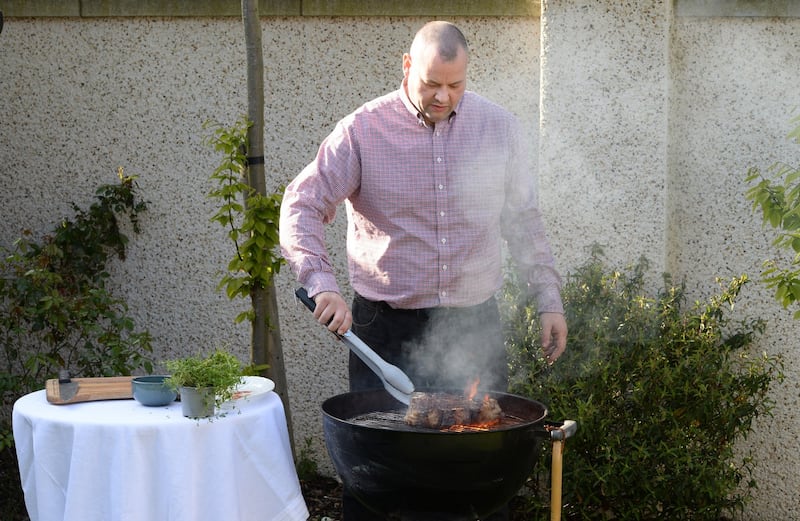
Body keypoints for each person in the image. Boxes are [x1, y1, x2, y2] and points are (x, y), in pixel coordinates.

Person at [280, 21, 567, 520]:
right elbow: (301, 205)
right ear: (407, 66)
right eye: (432, 83)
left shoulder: (499, 128)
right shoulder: (363, 131)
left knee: (480, 477)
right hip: (385, 330)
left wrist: (549, 298)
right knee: (379, 481)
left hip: (474, 327)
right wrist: (321, 285)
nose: (443, 96)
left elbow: (523, 222)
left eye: (455, 85)